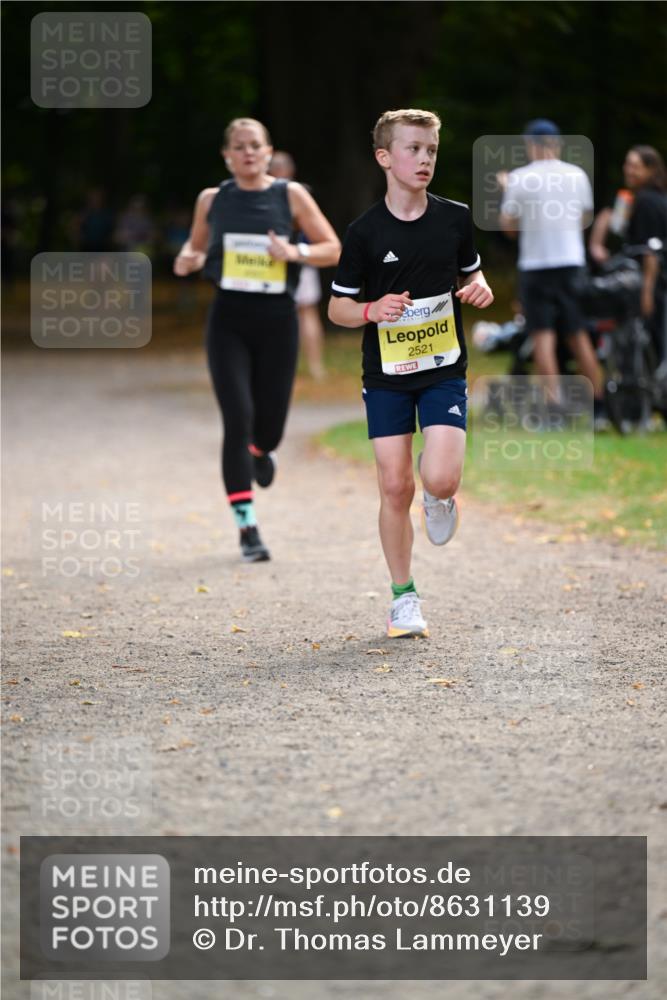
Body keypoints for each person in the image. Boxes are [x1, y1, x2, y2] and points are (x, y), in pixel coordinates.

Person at [328, 109, 493, 639]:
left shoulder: (454, 217)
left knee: (438, 477)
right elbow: (338, 311)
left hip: (443, 369)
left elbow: (472, 273)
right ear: (385, 157)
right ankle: (404, 597)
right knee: (393, 486)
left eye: (431, 151)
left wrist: (480, 288)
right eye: (413, 149)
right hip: (386, 376)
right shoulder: (364, 233)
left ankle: (439, 493)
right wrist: (373, 310)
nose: (424, 159)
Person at [174, 118, 340, 562]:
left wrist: (295, 252)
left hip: (277, 319)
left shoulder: (290, 195)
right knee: (237, 416)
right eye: (239, 147)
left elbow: (333, 248)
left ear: (268, 153)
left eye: (256, 146)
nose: (248, 153)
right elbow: (195, 249)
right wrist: (187, 261)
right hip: (228, 318)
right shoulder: (212, 199)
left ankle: (262, 451)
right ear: (227, 155)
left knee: (269, 426)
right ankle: (247, 529)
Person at [498, 119, 607, 422]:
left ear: (532, 145)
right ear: (557, 145)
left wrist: (507, 189)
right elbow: (584, 217)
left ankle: (555, 410)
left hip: (536, 266)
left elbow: (509, 227)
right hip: (571, 264)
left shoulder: (520, 178)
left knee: (543, 338)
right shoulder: (577, 175)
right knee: (578, 335)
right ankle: (598, 406)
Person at [590, 146, 667, 365]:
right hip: (655, 282)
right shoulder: (649, 198)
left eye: (635, 166)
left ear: (651, 170)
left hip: (651, 283)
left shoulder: (646, 202)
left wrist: (647, 292)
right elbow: (614, 226)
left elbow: (650, 251)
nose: (628, 170)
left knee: (650, 345)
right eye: (627, 164)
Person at [269, 151, 328, 379]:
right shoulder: (302, 192)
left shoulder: (265, 194)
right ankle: (315, 368)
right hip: (302, 258)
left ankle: (287, 368)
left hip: (287, 259)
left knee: (287, 314)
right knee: (307, 312)